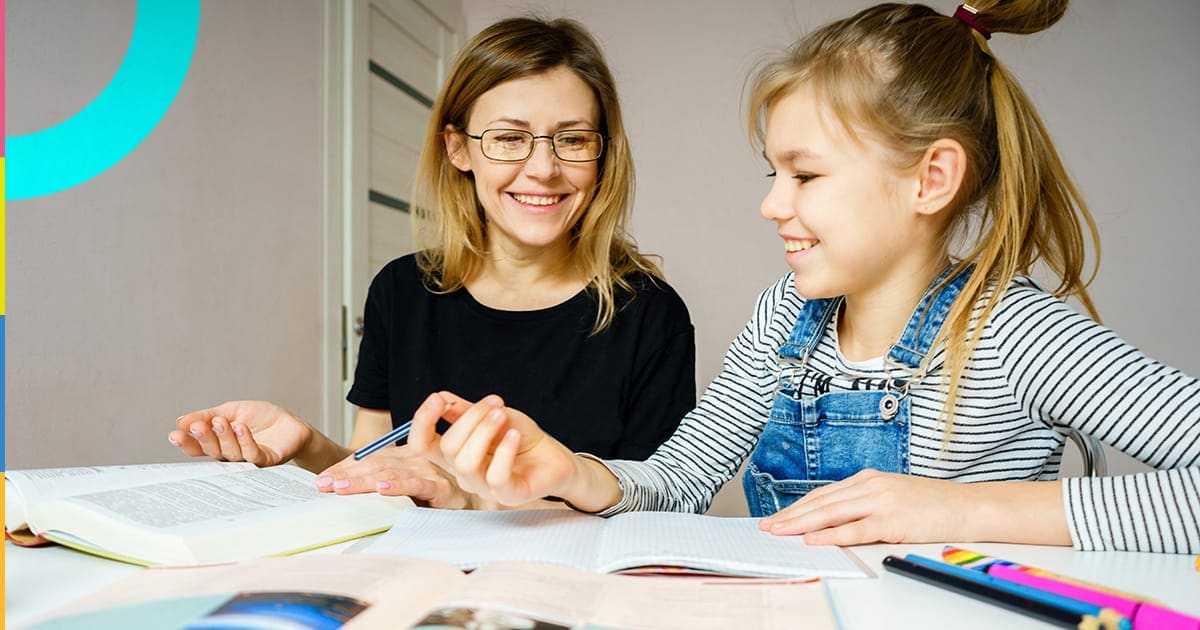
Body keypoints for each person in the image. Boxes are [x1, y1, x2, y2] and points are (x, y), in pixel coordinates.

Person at [405, 1, 1200, 552]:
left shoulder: (1016, 333)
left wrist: (953, 508)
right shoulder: (785, 316)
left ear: (931, 179)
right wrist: (572, 473)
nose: (771, 205)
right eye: (771, 173)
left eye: (805, 176)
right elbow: (680, 477)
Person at [168, 17, 696, 508]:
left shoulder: (651, 314)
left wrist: (466, 499)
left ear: (603, 155)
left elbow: (655, 503)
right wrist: (306, 445)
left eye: (574, 140)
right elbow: (379, 472)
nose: (543, 168)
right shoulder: (401, 291)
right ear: (457, 148)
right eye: (509, 138)